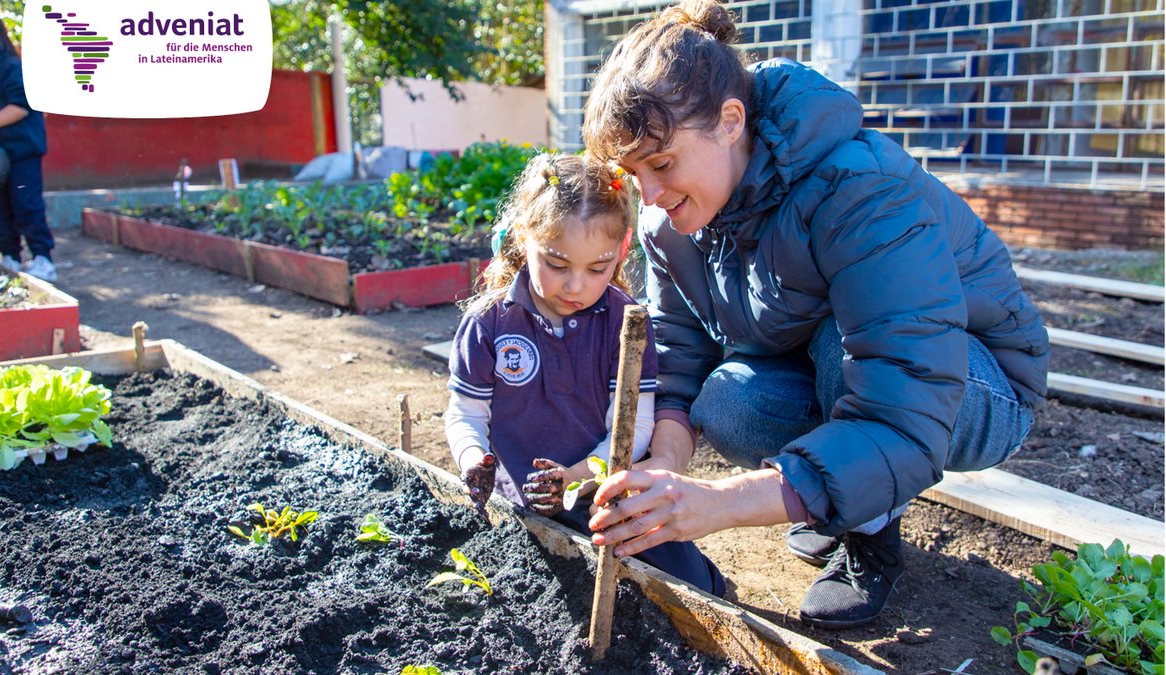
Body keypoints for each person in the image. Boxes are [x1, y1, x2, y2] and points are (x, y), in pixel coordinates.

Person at [580, 0, 1048, 628]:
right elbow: (684, 355)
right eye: (633, 175)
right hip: (850, 370)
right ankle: (841, 493)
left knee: (840, 345)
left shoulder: (857, 190)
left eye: (662, 165)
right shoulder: (672, 224)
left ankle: (869, 532)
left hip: (972, 388)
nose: (653, 196)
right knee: (728, 401)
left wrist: (718, 503)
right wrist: (662, 471)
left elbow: (903, 405)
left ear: (728, 121)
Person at [444, 152, 725, 596]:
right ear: (523, 237)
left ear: (622, 250)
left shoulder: (626, 324)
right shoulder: (489, 322)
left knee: (689, 584)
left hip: (602, 499)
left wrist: (575, 478)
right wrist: (473, 460)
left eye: (598, 268)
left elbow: (634, 428)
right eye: (557, 265)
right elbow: (466, 413)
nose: (576, 286)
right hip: (517, 503)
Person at [0, 7, 55, 282]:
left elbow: (20, 107)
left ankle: (43, 259)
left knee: (26, 204)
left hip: (20, 153)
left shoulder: (11, 67)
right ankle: (10, 257)